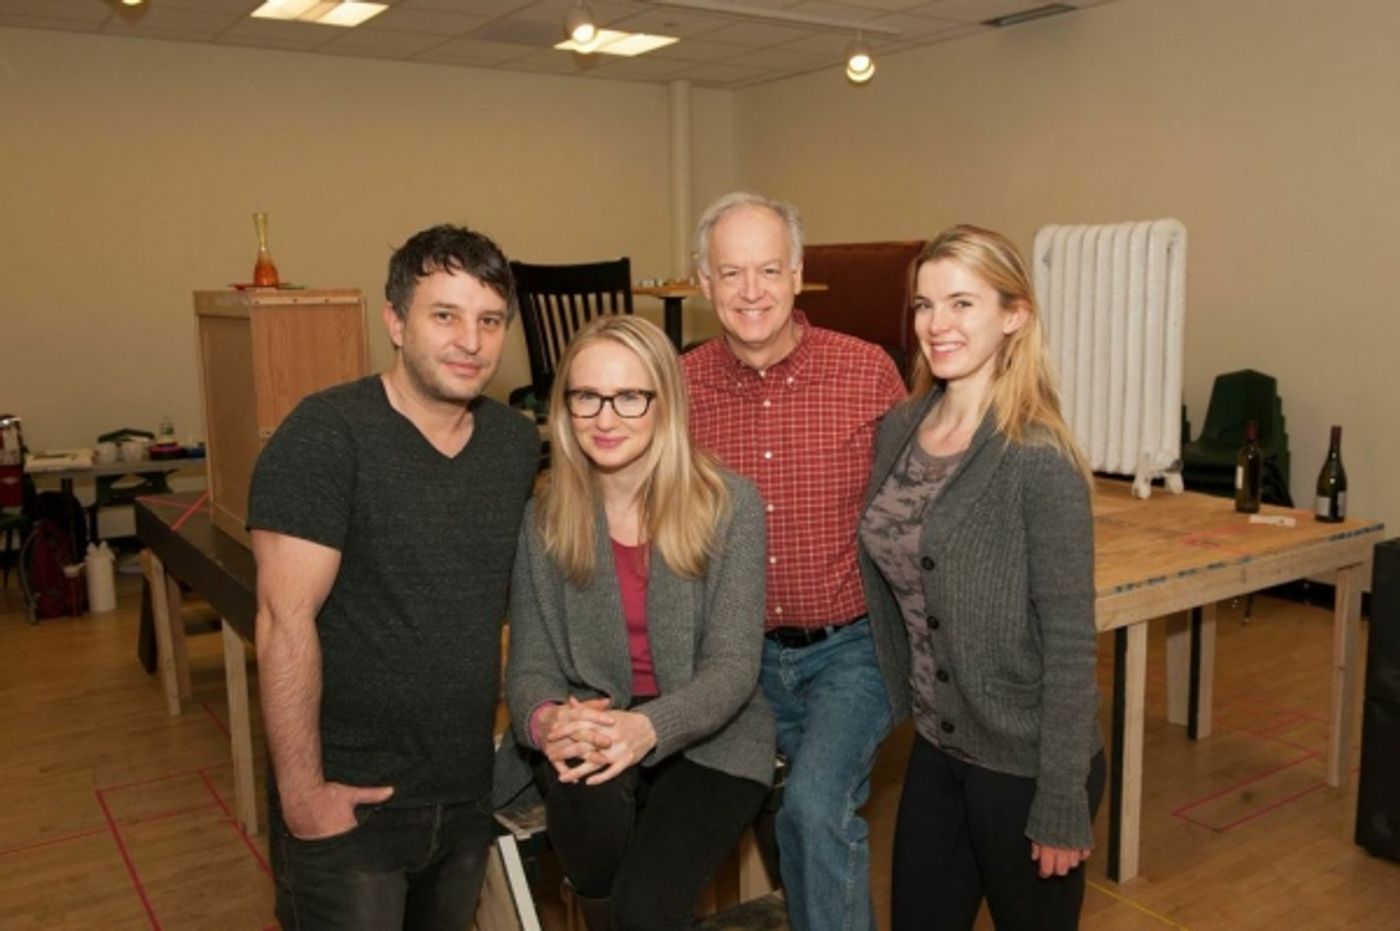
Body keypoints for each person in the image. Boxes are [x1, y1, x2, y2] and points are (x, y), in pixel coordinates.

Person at [248, 224, 540, 930]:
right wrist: (304, 795)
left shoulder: (512, 444)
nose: (470, 341)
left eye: (489, 320)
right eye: (445, 315)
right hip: (351, 803)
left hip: (465, 793)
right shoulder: (326, 435)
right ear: (396, 322)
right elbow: (283, 622)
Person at [857, 224, 1106, 930]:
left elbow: (1070, 643)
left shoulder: (1038, 457)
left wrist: (1061, 800)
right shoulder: (901, 428)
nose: (937, 324)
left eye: (962, 303)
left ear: (1014, 315)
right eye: (925, 304)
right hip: (939, 745)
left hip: (1026, 761)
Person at [682, 191, 908, 931]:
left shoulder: (867, 373)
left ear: (798, 274)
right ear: (704, 282)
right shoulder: (678, 388)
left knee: (813, 808)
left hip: (851, 649)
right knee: (796, 817)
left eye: (769, 269)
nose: (751, 291)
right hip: (736, 658)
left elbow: (919, 508)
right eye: (731, 272)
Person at [504, 315, 773, 931]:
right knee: (594, 824)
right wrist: (548, 721)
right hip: (594, 719)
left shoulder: (729, 505)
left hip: (711, 734)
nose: (605, 418)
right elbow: (529, 665)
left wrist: (647, 728)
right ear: (565, 406)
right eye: (587, 397)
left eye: (629, 397)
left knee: (645, 907)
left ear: (665, 403)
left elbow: (733, 669)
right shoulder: (546, 516)